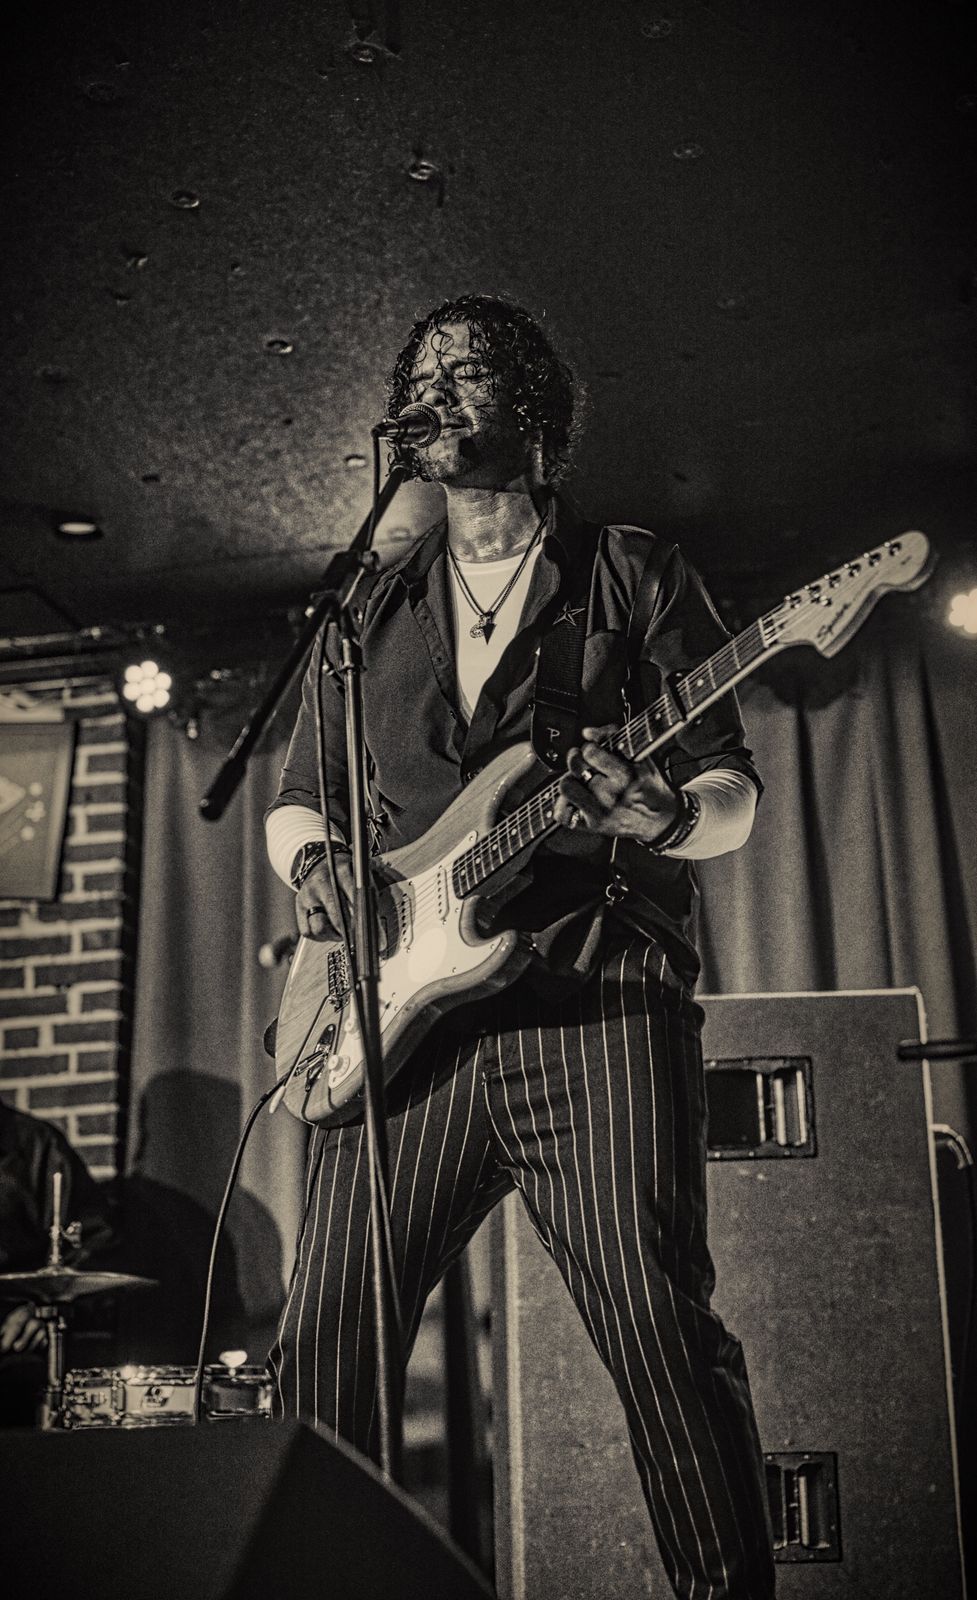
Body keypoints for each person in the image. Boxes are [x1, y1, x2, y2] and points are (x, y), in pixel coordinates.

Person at [264, 294, 775, 1599]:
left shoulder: (628, 572)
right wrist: (319, 866)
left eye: (470, 371)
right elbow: (297, 797)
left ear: (533, 410)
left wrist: (659, 813)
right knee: (321, 1347)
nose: (439, 387)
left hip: (590, 1001)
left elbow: (731, 791)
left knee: (656, 1325)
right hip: (401, 1034)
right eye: (423, 372)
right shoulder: (370, 608)